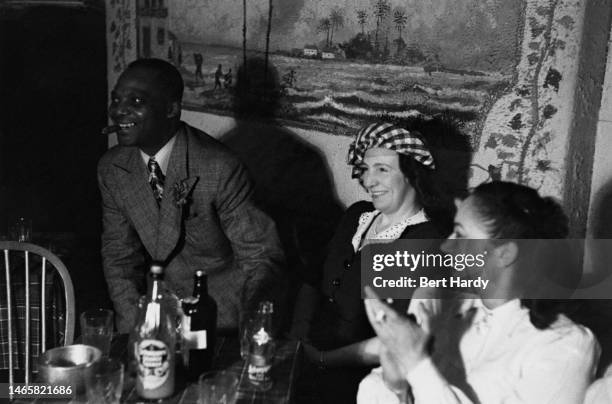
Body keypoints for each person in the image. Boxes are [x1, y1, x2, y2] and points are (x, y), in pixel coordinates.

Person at [358, 181, 600, 404]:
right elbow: (375, 389)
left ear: (504, 254)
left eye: (461, 235)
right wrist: (399, 387)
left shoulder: (564, 346)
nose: (446, 245)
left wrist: (417, 364)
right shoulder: (445, 308)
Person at [97, 58, 285, 333]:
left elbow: (261, 259)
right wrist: (132, 331)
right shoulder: (112, 168)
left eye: (136, 101)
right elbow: (119, 258)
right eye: (116, 100)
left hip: (223, 320)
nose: (119, 111)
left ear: (172, 108)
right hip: (160, 317)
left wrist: (251, 330)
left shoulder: (219, 167)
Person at [291, 120, 470, 402]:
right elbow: (313, 277)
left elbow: (400, 338)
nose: (368, 180)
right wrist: (298, 336)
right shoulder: (357, 215)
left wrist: (323, 359)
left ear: (412, 174)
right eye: (366, 169)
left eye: (382, 170)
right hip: (306, 356)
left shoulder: (426, 241)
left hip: (362, 379)